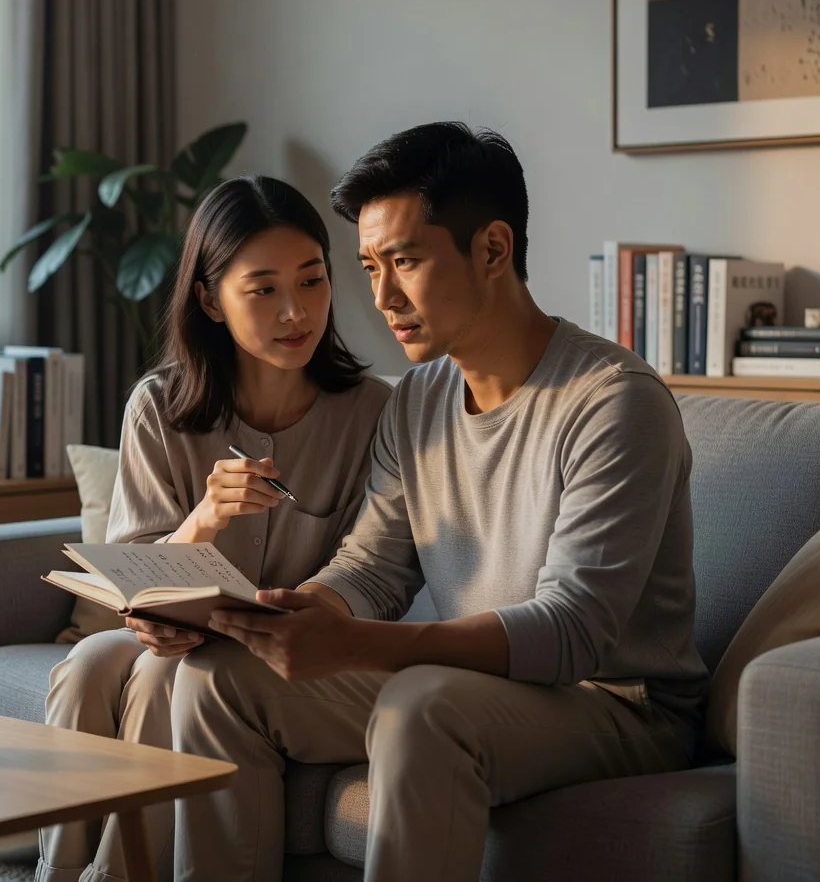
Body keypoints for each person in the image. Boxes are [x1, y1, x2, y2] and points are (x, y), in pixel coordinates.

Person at [168, 123, 710, 882]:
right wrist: (310, 609)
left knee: (421, 708)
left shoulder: (615, 403)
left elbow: (576, 631)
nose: (382, 296)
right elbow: (375, 568)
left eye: (406, 261)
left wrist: (357, 646)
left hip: (614, 704)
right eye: (367, 266)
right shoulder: (416, 399)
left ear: (492, 250)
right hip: (472, 687)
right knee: (218, 680)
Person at [35, 175, 392, 882]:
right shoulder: (160, 407)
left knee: (162, 678)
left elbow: (372, 563)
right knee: (86, 666)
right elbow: (133, 567)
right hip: (180, 635)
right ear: (209, 299)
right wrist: (202, 520)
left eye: (313, 281)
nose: (296, 311)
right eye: (262, 289)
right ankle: (62, 870)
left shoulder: (372, 412)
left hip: (290, 651)